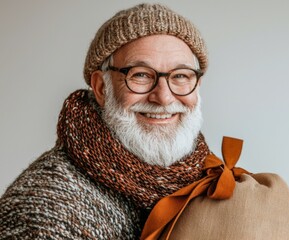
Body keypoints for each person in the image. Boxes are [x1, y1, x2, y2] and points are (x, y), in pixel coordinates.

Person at [0, 3, 210, 239]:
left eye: (180, 76)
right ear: (101, 88)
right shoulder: (44, 211)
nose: (163, 97)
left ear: (197, 85)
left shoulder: (207, 178)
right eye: (140, 74)